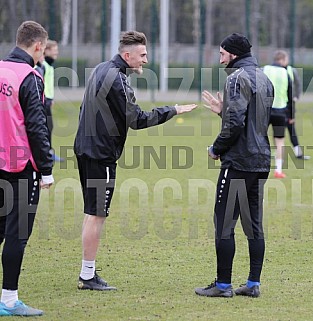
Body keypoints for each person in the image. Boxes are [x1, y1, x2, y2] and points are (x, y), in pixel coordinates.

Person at [74, 30, 197, 291]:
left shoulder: (100, 69)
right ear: (127, 55)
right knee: (97, 215)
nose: (146, 60)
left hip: (85, 148)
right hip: (100, 153)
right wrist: (173, 110)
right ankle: (87, 276)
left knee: (91, 212)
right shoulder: (118, 80)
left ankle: (88, 271)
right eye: (142, 55)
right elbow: (138, 119)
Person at [194, 33, 273, 298]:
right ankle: (253, 285)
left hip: (238, 161)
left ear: (233, 54)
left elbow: (236, 123)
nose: (220, 57)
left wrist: (216, 149)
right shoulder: (264, 79)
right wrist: (222, 110)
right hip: (261, 161)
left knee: (224, 223)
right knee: (254, 224)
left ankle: (223, 285)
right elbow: (255, 120)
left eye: (222, 53)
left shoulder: (236, 78)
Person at [0, 21, 54, 316]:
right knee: (17, 233)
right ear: (36, 46)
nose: (42, 55)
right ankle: (9, 300)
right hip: (20, 167)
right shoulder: (30, 76)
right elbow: (37, 127)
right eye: (43, 49)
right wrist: (46, 169)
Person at [263, 51, 293, 178]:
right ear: (283, 60)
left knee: (258, 138)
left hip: (264, 110)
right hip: (280, 111)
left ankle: (258, 166)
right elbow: (290, 96)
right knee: (280, 141)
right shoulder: (286, 73)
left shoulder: (264, 69)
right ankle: (278, 170)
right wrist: (291, 115)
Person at [280, 51, 310, 160]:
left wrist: (296, 96)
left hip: (288, 105)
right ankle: (278, 154)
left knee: (291, 129)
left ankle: (298, 153)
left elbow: (298, 84)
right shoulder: (274, 71)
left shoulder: (291, 70)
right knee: (277, 131)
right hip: (277, 106)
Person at [42, 40, 64, 162]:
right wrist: (45, 98)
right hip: (43, 101)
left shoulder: (49, 65)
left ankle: (48, 151)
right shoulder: (43, 66)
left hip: (48, 100)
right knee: (46, 127)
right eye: (54, 50)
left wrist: (51, 98)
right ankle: (46, 152)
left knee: (49, 126)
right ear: (46, 51)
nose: (56, 52)